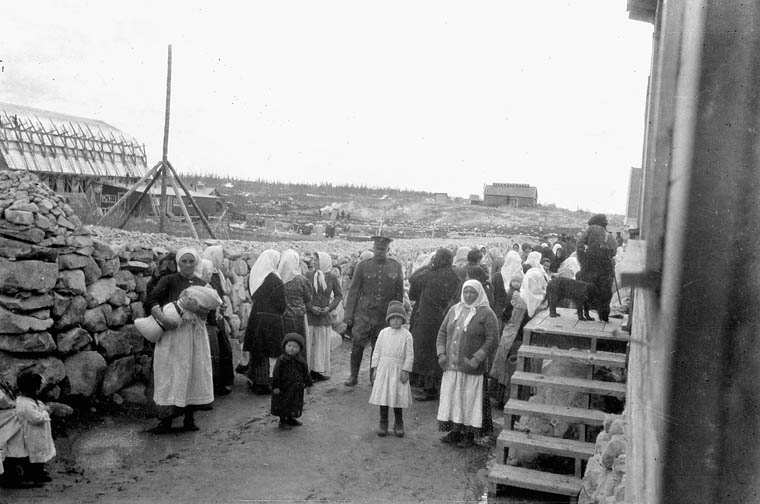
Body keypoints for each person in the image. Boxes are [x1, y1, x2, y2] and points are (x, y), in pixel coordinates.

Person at [144, 248, 217, 433]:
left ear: (196, 263)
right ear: (178, 263)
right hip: (172, 335)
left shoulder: (202, 284)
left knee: (192, 374)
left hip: (193, 335)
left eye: (191, 261)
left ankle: (189, 417)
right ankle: (165, 419)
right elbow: (151, 300)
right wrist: (163, 319)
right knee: (170, 374)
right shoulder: (169, 280)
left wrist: (197, 308)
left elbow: (210, 312)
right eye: (183, 261)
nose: (187, 265)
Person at [436, 280, 499, 448]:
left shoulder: (486, 313)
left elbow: (492, 339)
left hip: (471, 368)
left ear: (479, 293)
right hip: (452, 366)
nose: (469, 295)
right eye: (466, 292)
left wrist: (477, 358)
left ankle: (469, 434)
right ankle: (455, 431)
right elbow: (442, 332)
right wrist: (442, 354)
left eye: (472, 292)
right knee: (454, 398)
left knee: (469, 400)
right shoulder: (454, 310)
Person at [343, 236, 404, 387]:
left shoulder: (395, 266)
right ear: (373, 248)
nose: (379, 252)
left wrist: (398, 315)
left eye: (383, 249)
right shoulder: (362, 266)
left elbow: (399, 294)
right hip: (364, 313)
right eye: (377, 249)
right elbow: (354, 291)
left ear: (388, 250)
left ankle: (373, 376)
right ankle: (353, 375)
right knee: (357, 344)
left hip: (384, 314)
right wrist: (349, 314)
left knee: (379, 346)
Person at [408, 248, 461, 402]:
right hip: (445, 319)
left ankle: (426, 388)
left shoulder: (429, 274)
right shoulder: (455, 276)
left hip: (426, 319)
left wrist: (428, 265)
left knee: (424, 352)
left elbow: (413, 280)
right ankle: (436, 387)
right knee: (438, 352)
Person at [244, 249, 286, 395]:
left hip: (256, 316)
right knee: (268, 350)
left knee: (258, 349)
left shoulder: (256, 276)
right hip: (271, 319)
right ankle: (263, 383)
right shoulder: (274, 279)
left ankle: (254, 379)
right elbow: (282, 304)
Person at [369, 301, 414, 438]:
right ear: (388, 319)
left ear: (403, 319)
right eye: (393, 318)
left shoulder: (407, 335)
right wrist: (375, 368)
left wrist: (406, 370)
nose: (395, 320)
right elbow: (376, 351)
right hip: (384, 369)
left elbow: (410, 354)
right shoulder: (383, 333)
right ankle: (383, 422)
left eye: (398, 318)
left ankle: (399, 423)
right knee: (384, 396)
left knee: (397, 397)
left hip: (398, 370)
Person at [5, 372, 54, 486]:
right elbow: (35, 418)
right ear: (34, 389)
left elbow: (39, 408)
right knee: (33, 455)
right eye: (39, 388)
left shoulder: (30, 401)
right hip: (31, 435)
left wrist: (43, 409)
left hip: (38, 434)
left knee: (40, 454)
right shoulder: (25, 404)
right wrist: (46, 413)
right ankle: (33, 474)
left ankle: (39, 472)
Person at [195, 256, 233, 396]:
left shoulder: (207, 285)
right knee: (211, 358)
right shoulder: (199, 286)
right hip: (207, 326)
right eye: (208, 272)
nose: (210, 275)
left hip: (213, 324)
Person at [305, 251, 343, 381]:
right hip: (310, 316)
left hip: (323, 317)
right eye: (313, 259)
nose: (313, 262)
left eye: (316, 260)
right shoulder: (308, 275)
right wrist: (311, 307)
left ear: (323, 261)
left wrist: (329, 307)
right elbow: (304, 295)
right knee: (310, 343)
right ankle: (308, 371)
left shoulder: (332, 276)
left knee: (321, 344)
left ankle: (318, 370)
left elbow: (339, 295)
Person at [576, 214, 618, 322]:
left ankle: (583, 315)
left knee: (586, 290)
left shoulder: (591, 229)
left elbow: (579, 244)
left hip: (590, 266)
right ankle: (604, 316)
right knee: (605, 292)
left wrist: (583, 260)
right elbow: (614, 252)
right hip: (606, 268)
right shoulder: (610, 236)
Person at [271, 333, 313, 430]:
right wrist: (276, 386)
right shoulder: (281, 360)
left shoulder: (301, 360)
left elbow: (305, 373)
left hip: (296, 388)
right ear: (284, 346)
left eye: (295, 346)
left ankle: (290, 418)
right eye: (289, 346)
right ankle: (282, 421)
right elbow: (276, 374)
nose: (291, 349)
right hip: (284, 388)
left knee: (294, 403)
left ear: (300, 348)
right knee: (283, 404)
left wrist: (308, 385)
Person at [279, 249, 312, 339]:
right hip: (299, 317)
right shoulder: (302, 280)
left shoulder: (277, 280)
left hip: (282, 317)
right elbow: (308, 298)